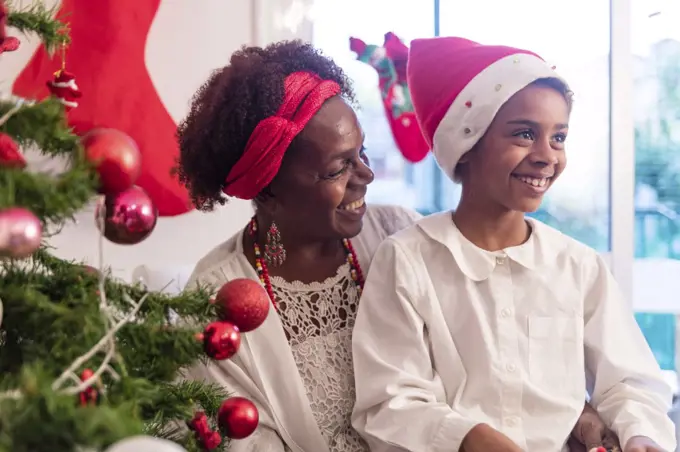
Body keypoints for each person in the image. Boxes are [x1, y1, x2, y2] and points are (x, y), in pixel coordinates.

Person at [176, 40, 619, 452]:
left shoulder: (399, 233)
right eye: (337, 169)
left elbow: (488, 353)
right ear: (269, 188)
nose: (366, 177)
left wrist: (570, 411)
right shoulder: (219, 302)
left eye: (362, 154)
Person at [350, 36, 676, 452]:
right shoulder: (407, 261)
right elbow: (388, 405)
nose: (547, 156)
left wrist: (639, 433)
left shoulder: (578, 267)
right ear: (466, 144)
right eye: (524, 134)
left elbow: (630, 383)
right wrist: (470, 438)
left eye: (558, 137)